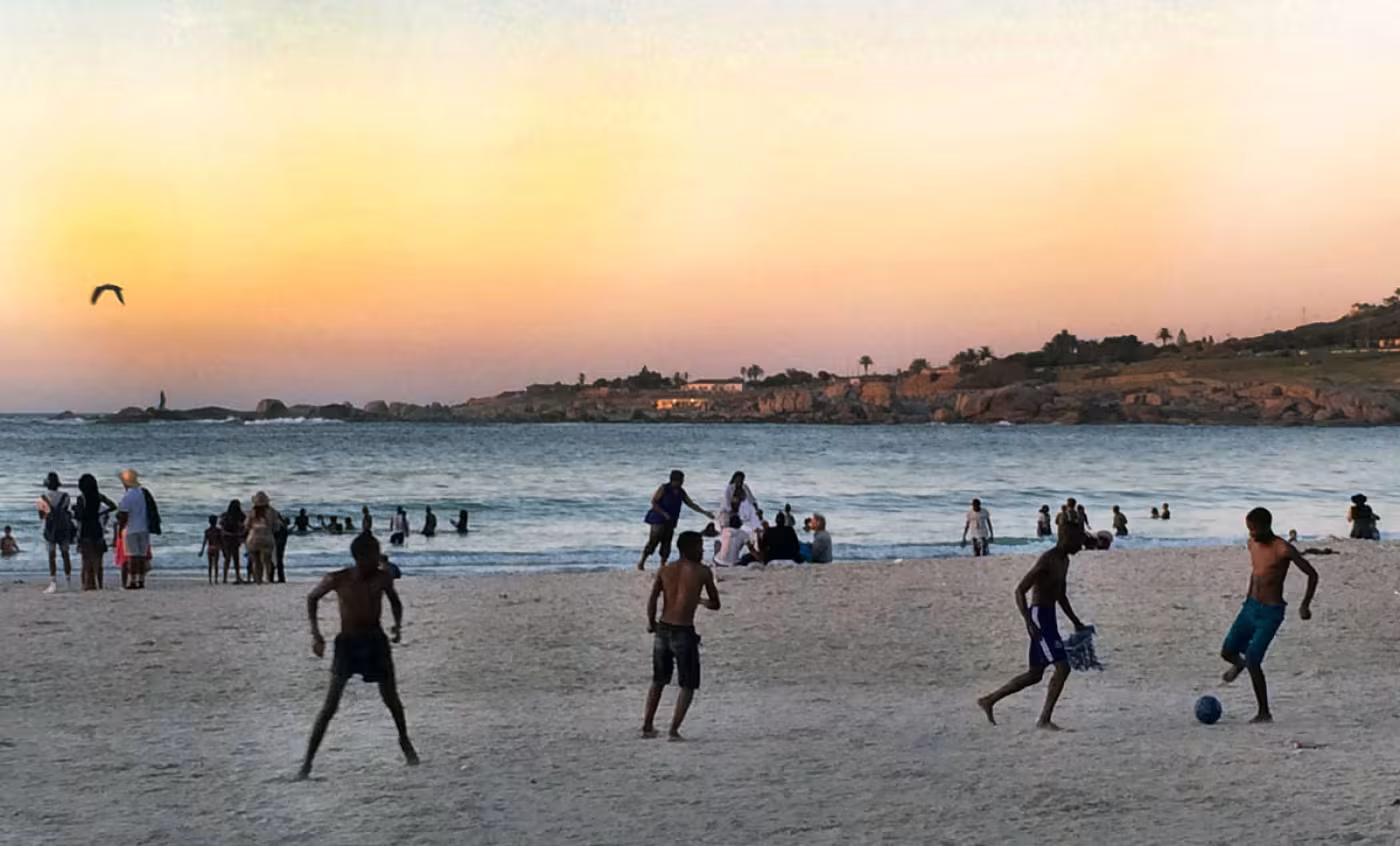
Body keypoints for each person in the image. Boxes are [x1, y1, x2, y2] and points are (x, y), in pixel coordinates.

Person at [298, 532, 418, 779]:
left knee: (392, 699)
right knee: (330, 705)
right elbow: (312, 598)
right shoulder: (339, 578)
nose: (378, 559)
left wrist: (397, 625)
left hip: (375, 641)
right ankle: (307, 763)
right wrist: (316, 635)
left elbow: (395, 601)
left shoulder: (383, 577)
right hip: (348, 644)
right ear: (360, 558)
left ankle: (404, 741)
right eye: (374, 555)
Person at [977, 523, 1088, 730]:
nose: (1081, 546)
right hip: (1039, 617)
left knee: (1035, 674)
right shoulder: (1048, 560)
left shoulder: (1064, 561)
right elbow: (1019, 590)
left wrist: (1076, 622)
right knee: (1063, 668)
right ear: (1066, 538)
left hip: (1049, 617)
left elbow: (1060, 595)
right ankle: (1044, 719)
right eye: (1078, 541)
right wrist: (1028, 621)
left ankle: (989, 700)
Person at [1220, 507, 1318, 723]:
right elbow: (1256, 572)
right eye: (1249, 530)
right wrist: (1247, 599)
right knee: (1227, 651)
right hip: (1250, 607)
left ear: (1267, 526)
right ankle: (1239, 664)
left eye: (1254, 530)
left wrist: (1305, 605)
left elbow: (1312, 574)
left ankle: (1264, 712)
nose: (1251, 534)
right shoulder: (1251, 543)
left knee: (1254, 659)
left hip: (1271, 612)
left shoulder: (1282, 548)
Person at [642, 531, 721, 740]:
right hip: (684, 631)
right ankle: (674, 730)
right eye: (700, 546)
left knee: (658, 680)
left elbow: (652, 598)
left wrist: (651, 622)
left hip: (663, 628)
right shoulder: (703, 572)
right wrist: (700, 601)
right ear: (689, 548)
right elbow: (716, 604)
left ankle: (647, 726)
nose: (702, 550)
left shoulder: (665, 570)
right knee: (688, 683)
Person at [637, 470, 714, 571]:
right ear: (674, 480)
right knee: (653, 541)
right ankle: (642, 562)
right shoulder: (664, 488)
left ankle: (662, 565)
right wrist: (664, 513)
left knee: (667, 543)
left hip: (671, 520)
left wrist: (704, 512)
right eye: (680, 480)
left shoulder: (681, 492)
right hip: (658, 519)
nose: (682, 482)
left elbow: (691, 504)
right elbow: (654, 502)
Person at [74, 474, 116, 591]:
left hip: (86, 529)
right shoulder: (99, 496)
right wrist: (101, 514)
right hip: (97, 528)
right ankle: (100, 584)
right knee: (98, 559)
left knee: (86, 559)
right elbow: (113, 506)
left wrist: (75, 511)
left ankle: (87, 584)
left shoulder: (81, 498)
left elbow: (79, 517)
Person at [37, 472, 76, 593]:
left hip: (50, 529)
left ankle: (53, 583)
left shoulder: (42, 497)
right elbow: (66, 511)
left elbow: (41, 516)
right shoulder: (66, 496)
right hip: (64, 529)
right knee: (65, 554)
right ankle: (68, 581)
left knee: (51, 556)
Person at [116, 469, 152, 590]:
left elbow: (123, 516)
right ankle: (141, 580)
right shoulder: (143, 493)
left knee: (132, 557)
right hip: (144, 528)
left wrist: (120, 531)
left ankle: (132, 581)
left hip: (131, 529)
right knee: (141, 556)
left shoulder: (127, 496)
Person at [244, 492, 281, 585]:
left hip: (253, 537)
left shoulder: (251, 512)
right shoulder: (272, 512)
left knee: (255, 560)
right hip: (267, 536)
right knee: (267, 560)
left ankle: (258, 579)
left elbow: (246, 525)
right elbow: (276, 527)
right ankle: (267, 578)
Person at [219, 499, 247, 584]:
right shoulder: (240, 515)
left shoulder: (225, 515)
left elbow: (221, 528)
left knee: (228, 558)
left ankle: (225, 578)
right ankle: (237, 576)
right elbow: (245, 526)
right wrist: (241, 534)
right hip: (235, 537)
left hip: (227, 538)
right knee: (235, 558)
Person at [199, 516, 222, 586]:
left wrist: (202, 551)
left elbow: (204, 542)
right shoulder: (218, 530)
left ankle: (210, 579)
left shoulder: (207, 531)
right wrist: (223, 550)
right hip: (216, 547)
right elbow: (221, 541)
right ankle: (216, 579)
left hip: (210, 548)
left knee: (210, 565)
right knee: (216, 565)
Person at [273, 509, 290, 583]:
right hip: (281, 544)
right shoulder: (282, 526)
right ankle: (281, 577)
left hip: (277, 544)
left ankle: (272, 577)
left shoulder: (278, 525)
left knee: (274, 560)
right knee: (279, 561)